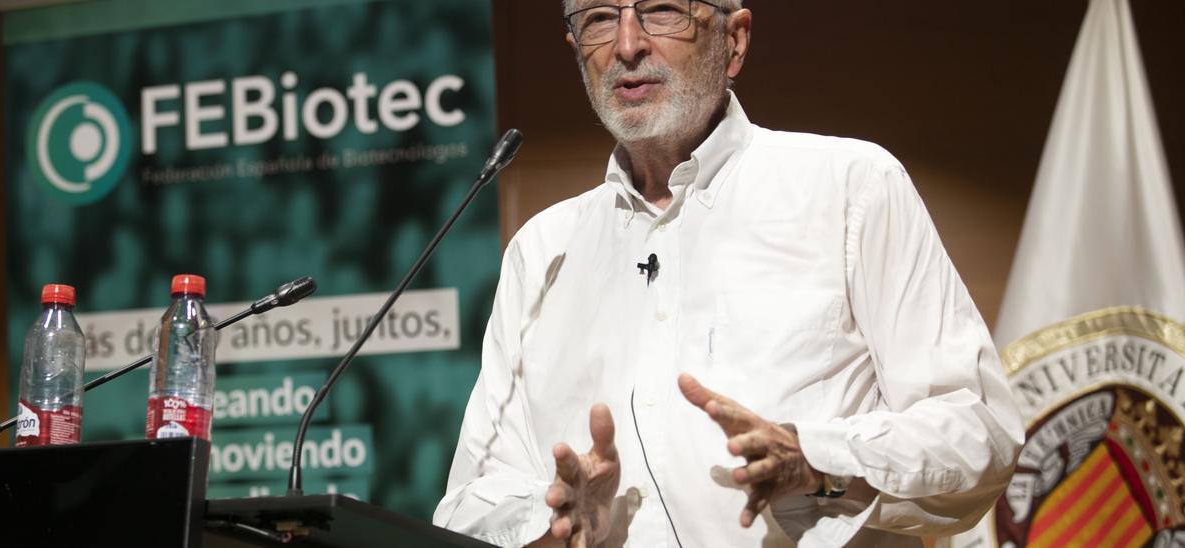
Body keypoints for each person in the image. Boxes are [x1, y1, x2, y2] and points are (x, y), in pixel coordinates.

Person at [434, 0, 1024, 546]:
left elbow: (979, 430)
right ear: (576, 50)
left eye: (663, 11)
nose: (628, 44)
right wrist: (550, 522)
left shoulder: (851, 187)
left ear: (734, 40)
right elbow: (467, 503)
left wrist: (814, 458)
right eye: (599, 19)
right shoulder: (543, 250)